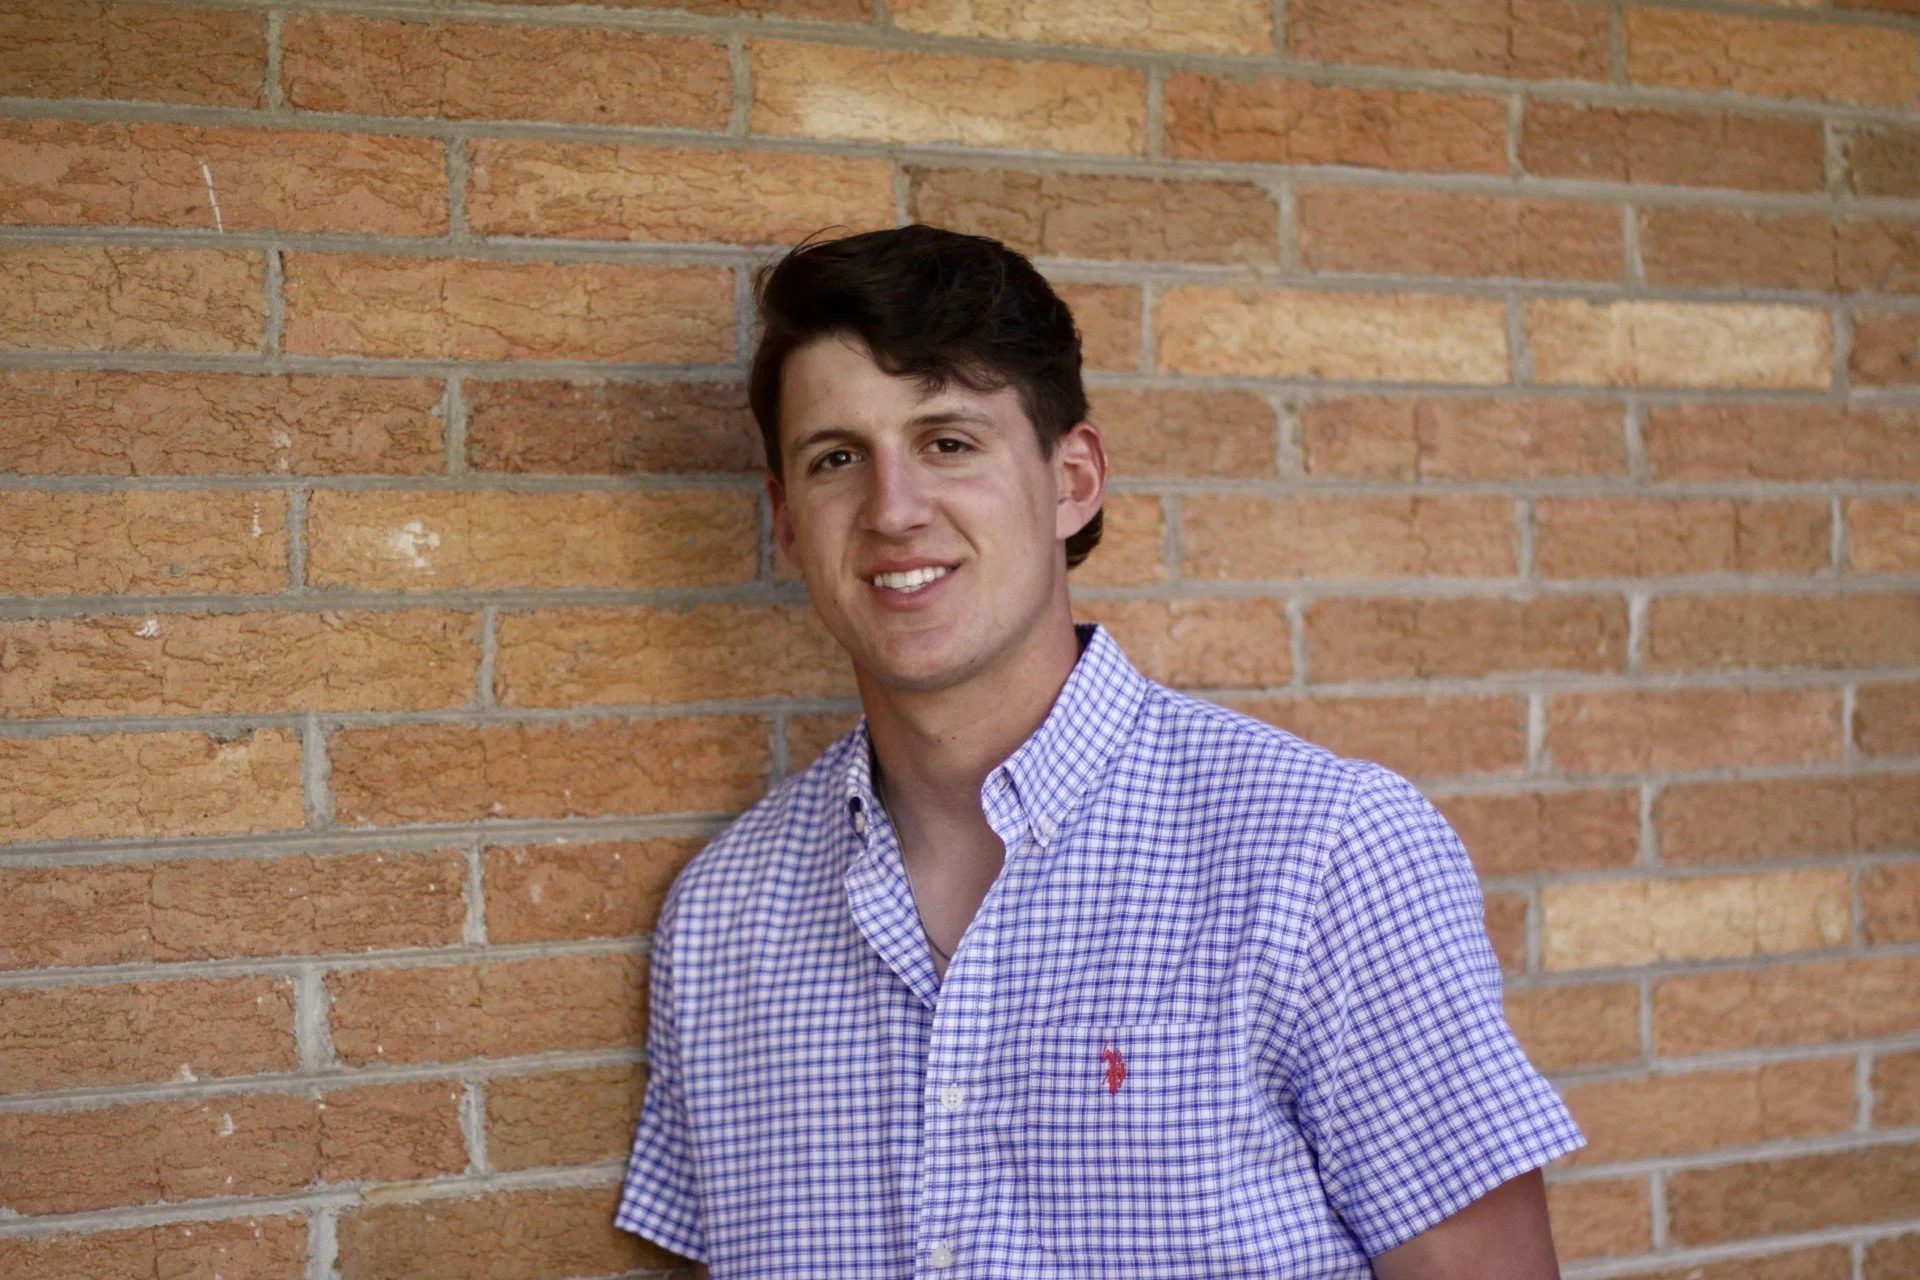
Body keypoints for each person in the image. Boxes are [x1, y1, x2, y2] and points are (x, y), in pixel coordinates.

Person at [614, 224, 1585, 1278]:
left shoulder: (1327, 855)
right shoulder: (721, 920)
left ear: (1073, 479)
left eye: (949, 442)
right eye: (837, 459)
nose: (893, 509)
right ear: (789, 523)